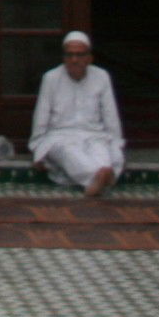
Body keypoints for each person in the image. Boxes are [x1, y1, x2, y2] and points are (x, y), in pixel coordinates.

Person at [30, 30, 127, 198]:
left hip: (94, 135)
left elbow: (111, 115)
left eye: (79, 55)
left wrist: (115, 142)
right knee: (69, 153)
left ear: (89, 58)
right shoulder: (51, 78)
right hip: (60, 137)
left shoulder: (101, 77)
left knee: (104, 154)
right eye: (70, 55)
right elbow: (41, 116)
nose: (74, 60)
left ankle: (100, 177)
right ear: (64, 58)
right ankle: (94, 180)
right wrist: (37, 148)